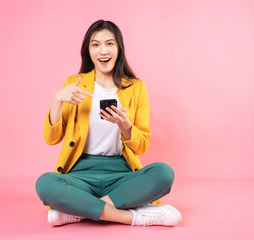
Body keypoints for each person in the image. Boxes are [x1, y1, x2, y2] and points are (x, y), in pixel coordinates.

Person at [35, 19, 182, 227]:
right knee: (45, 183)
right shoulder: (73, 83)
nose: (103, 51)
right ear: (88, 51)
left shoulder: (136, 88)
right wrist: (57, 100)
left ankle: (79, 211)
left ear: (119, 48)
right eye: (96, 44)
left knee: (164, 173)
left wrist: (126, 126)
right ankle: (134, 217)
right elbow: (51, 139)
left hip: (121, 174)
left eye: (109, 43)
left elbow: (142, 146)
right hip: (81, 175)